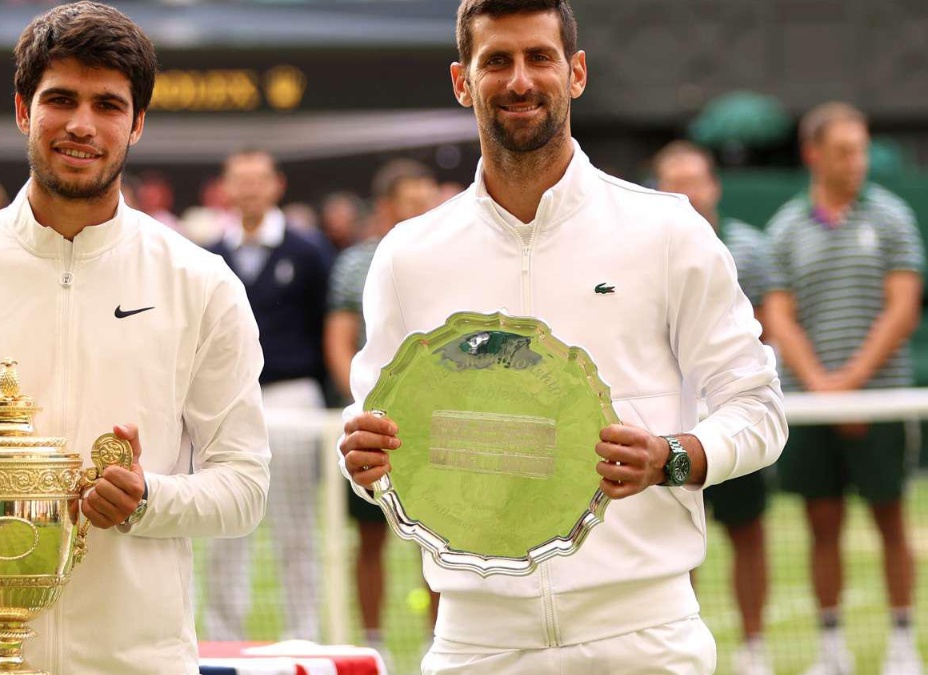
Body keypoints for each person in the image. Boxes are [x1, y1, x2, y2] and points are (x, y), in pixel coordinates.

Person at [337, 1, 787, 672]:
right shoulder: (409, 253)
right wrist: (365, 460)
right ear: (463, 82)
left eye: (539, 57)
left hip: (642, 632)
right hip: (476, 640)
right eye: (497, 61)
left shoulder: (667, 231)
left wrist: (673, 455)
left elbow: (759, 409)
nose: (520, 80)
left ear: (575, 73)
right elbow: (381, 433)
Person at [0, 3, 270, 673]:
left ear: (136, 124)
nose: (82, 124)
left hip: (135, 659)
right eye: (61, 100)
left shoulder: (202, 284)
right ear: (24, 110)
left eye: (108, 105)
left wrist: (147, 499)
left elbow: (245, 486)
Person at [763, 102, 924, 675]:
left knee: (890, 521)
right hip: (811, 407)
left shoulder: (894, 217)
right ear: (814, 155)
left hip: (879, 403)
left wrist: (850, 388)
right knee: (820, 527)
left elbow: (902, 309)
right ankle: (831, 652)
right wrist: (823, 392)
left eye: (860, 149)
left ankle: (902, 645)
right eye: (844, 150)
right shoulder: (784, 227)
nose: (856, 161)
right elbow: (779, 319)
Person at [654, 140, 775, 675]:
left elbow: (770, 326)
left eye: (695, 180)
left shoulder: (748, 246)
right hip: (668, 429)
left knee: (748, 533)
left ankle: (753, 650)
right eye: (674, 182)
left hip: (733, 419)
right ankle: (684, 645)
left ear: (714, 185)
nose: (687, 192)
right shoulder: (646, 253)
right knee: (676, 539)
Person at [205, 148, 329, 642]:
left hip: (293, 398)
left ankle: (305, 636)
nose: (251, 189)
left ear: (276, 185)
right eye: (241, 180)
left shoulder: (308, 250)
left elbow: (327, 326)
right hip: (226, 403)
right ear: (227, 189)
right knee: (222, 524)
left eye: (259, 180)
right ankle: (220, 637)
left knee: (296, 526)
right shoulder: (211, 255)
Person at [324, 158, 440, 659]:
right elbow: (340, 338)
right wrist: (361, 403)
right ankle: (374, 645)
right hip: (376, 420)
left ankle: (442, 641)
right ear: (388, 206)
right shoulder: (355, 263)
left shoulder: (447, 255)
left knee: (439, 536)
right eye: (412, 202)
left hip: (436, 419)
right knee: (370, 536)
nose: (423, 210)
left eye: (427, 200)